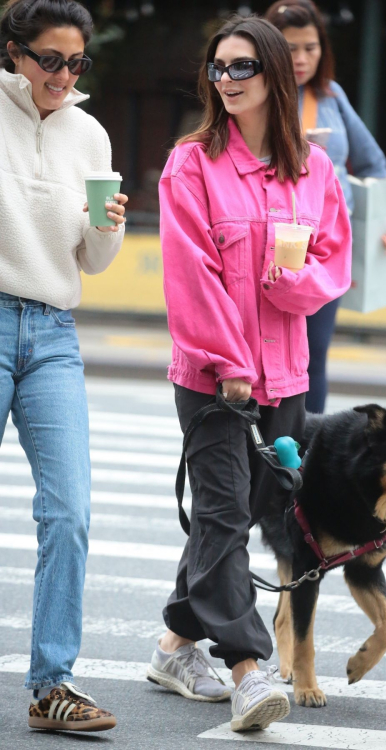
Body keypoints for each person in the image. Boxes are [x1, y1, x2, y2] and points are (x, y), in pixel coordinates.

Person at [148, 14, 351, 733]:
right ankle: (247, 669)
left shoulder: (315, 171)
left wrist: (288, 286)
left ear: (272, 74)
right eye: (218, 68)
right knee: (227, 513)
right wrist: (229, 363)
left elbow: (332, 261)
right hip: (213, 377)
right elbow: (189, 275)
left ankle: (175, 643)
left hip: (285, 375)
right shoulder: (191, 163)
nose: (226, 80)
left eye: (242, 68)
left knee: (234, 513)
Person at [0, 0, 127, 732]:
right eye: (51, 59)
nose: (64, 74)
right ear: (16, 52)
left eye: (77, 62)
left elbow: (94, 260)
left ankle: (53, 685)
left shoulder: (90, 134)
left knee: (70, 511)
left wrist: (109, 229)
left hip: (52, 333)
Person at [265, 0, 386, 414]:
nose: (301, 58)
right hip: (273, 246)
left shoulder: (330, 96)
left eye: (310, 47)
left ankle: (306, 457)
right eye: (290, 48)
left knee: (315, 354)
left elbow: (371, 163)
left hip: (325, 249)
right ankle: (267, 453)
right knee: (274, 355)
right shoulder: (254, 94)